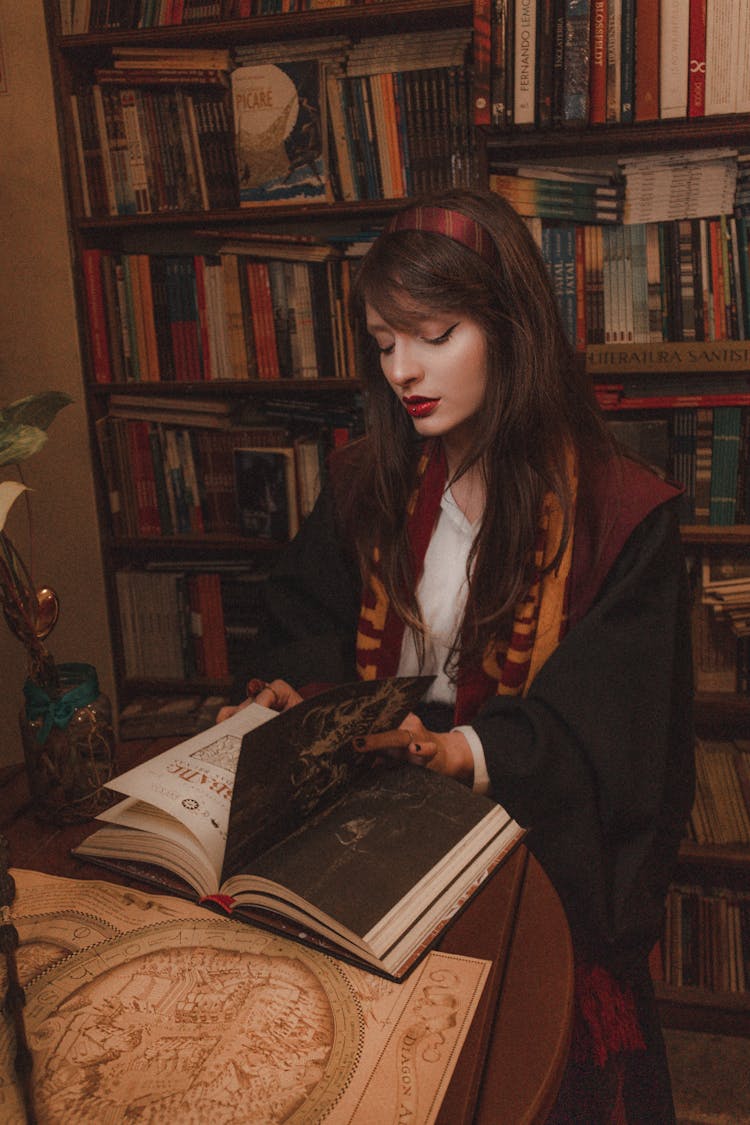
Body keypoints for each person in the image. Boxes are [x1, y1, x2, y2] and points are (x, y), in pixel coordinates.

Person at [218, 189, 694, 1122]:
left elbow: (615, 733)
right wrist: (301, 696)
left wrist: (461, 753)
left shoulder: (620, 512)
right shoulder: (368, 478)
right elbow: (305, 619)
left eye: (434, 334)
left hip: (522, 842)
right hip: (365, 832)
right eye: (385, 343)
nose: (405, 370)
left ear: (509, 328)